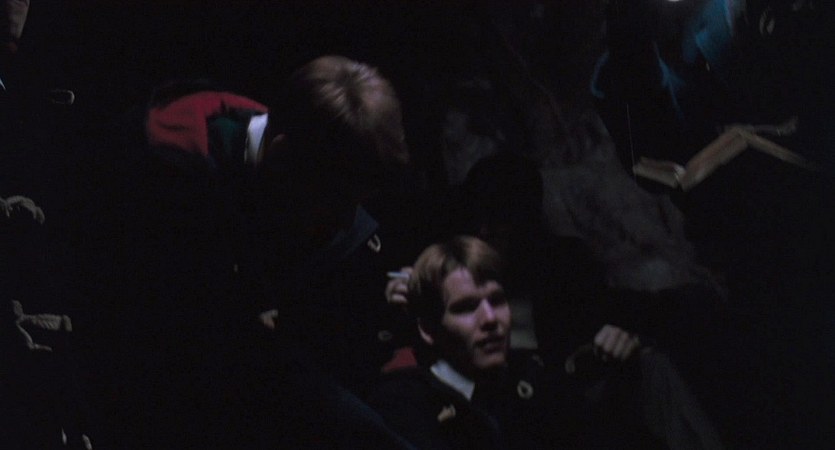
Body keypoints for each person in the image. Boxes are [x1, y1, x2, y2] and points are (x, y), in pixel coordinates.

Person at [370, 236, 582, 449]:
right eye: (466, 308)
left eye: (497, 301)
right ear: (428, 329)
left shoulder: (534, 377)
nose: (490, 318)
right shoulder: (405, 404)